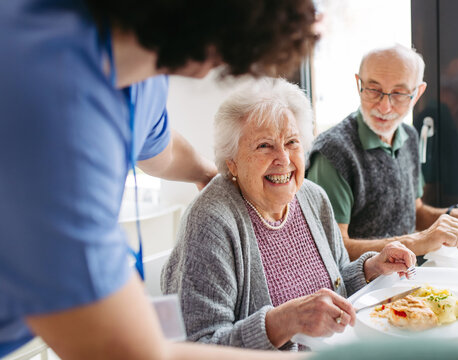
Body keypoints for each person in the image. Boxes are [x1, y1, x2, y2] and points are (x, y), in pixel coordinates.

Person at [0, 0, 319, 359]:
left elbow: (160, 147)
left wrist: (206, 173)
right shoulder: (52, 124)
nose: (231, 60)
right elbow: (136, 353)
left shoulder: (142, 69)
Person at [161, 78, 417, 351]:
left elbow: (334, 283)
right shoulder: (211, 222)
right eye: (264, 146)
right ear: (231, 162)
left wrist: (370, 268)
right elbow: (199, 347)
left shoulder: (312, 196)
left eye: (292, 142)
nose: (283, 159)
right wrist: (282, 322)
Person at [306, 44, 458, 260]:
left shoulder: (409, 136)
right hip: (363, 287)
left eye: (399, 93)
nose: (385, 106)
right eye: (373, 89)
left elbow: (414, 212)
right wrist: (417, 242)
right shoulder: (333, 152)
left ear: (417, 93)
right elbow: (332, 249)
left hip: (408, 274)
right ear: (358, 83)